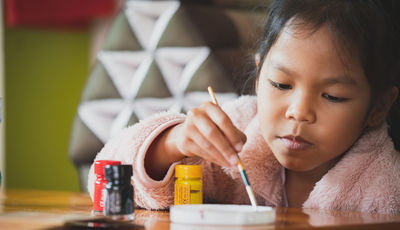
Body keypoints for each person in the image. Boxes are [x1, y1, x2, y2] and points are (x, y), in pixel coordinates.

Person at [88, 0, 400, 214]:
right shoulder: (237, 134)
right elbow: (104, 185)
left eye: (333, 96)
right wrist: (171, 143)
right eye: (281, 84)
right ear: (259, 71)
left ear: (379, 106)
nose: (298, 112)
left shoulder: (387, 191)